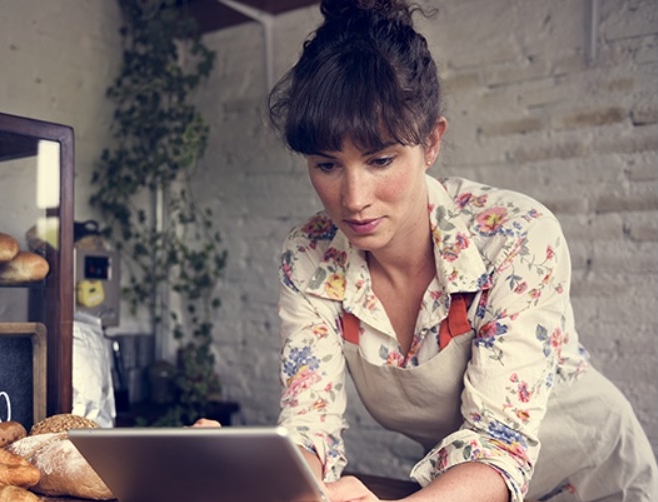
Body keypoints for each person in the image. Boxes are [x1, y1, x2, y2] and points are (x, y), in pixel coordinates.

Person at [264, 0, 658, 501]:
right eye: (326, 165)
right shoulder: (310, 257)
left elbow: (499, 443)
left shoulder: (515, 237)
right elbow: (309, 423)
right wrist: (270, 477)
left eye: (380, 159)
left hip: (592, 476)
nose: (354, 198)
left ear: (431, 143)